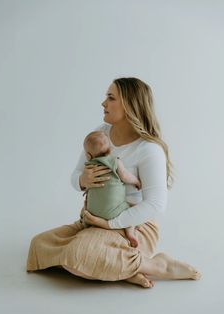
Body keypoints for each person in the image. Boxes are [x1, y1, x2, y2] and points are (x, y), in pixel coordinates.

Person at [26, 77, 201, 288]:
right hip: (93, 221)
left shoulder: (148, 149)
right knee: (39, 244)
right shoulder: (100, 135)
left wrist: (110, 223)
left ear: (129, 105)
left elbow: (155, 204)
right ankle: (125, 270)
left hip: (134, 225)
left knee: (76, 255)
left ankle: (158, 266)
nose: (103, 103)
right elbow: (76, 176)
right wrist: (83, 180)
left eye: (110, 98)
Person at [81, 130, 142, 248]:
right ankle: (130, 232)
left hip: (92, 212)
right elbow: (125, 176)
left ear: (88, 156)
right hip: (114, 212)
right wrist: (136, 181)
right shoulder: (115, 161)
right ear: (111, 149)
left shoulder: (88, 167)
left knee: (88, 204)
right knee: (131, 210)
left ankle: (87, 226)